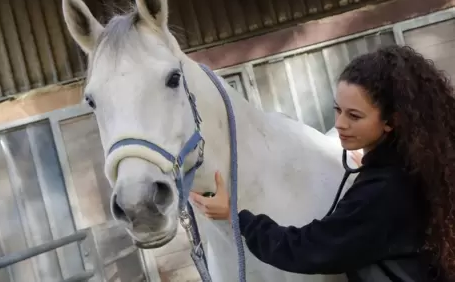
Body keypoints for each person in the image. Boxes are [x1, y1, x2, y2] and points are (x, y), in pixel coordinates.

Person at [189, 45, 455, 281]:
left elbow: (311, 250)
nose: (339, 124)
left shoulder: (386, 189)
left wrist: (236, 217)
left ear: (391, 121)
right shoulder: (417, 164)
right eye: (337, 110)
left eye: (354, 116)